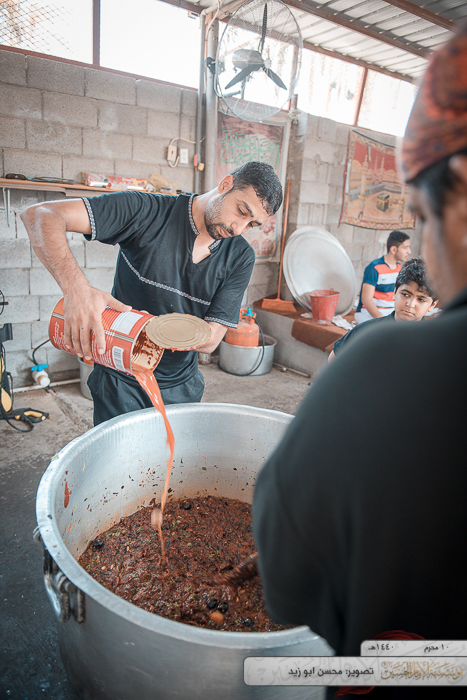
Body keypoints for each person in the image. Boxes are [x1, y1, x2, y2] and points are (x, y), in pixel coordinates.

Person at [253, 23, 467, 699]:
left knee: (276, 670)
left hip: (418, 669)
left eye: (422, 214)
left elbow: (287, 576)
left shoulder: (391, 363)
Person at [21, 162, 282, 425]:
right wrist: (76, 290)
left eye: (251, 224)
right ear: (225, 185)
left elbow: (211, 339)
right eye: (241, 211)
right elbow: (40, 215)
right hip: (120, 380)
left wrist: (149, 329)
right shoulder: (146, 211)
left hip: (180, 386)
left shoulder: (240, 256)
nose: (238, 228)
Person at [328, 256, 438, 362]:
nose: (410, 304)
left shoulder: (434, 343)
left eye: (421, 300)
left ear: (432, 305)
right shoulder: (366, 332)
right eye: (405, 294)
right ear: (394, 293)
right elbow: (334, 359)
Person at [355, 230, 412, 324]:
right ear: (393, 250)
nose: (409, 251)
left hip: (390, 312)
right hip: (369, 313)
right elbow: (366, 299)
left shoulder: (400, 269)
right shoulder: (374, 267)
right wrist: (382, 321)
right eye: (405, 248)